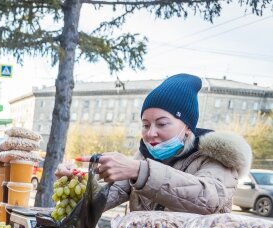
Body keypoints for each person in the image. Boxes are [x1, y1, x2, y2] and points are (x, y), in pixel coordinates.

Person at [66, 74, 251, 214]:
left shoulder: (216, 158)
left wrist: (141, 171)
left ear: (187, 127)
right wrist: (76, 183)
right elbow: (102, 199)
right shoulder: (143, 157)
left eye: (161, 124)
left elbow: (209, 199)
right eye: (145, 125)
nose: (150, 133)